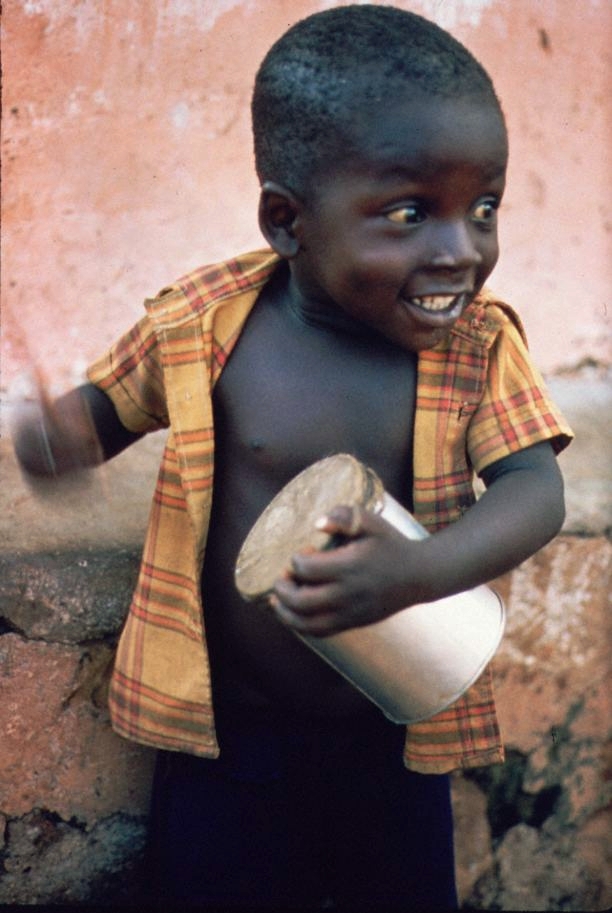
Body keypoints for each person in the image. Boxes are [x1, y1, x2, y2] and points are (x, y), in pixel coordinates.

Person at [12, 5, 573, 910]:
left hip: (392, 739)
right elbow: (99, 418)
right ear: (287, 220)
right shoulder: (202, 328)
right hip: (231, 745)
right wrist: (54, 439)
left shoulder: (476, 347)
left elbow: (535, 490)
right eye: (408, 212)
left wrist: (422, 570)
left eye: (484, 208)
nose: (460, 251)